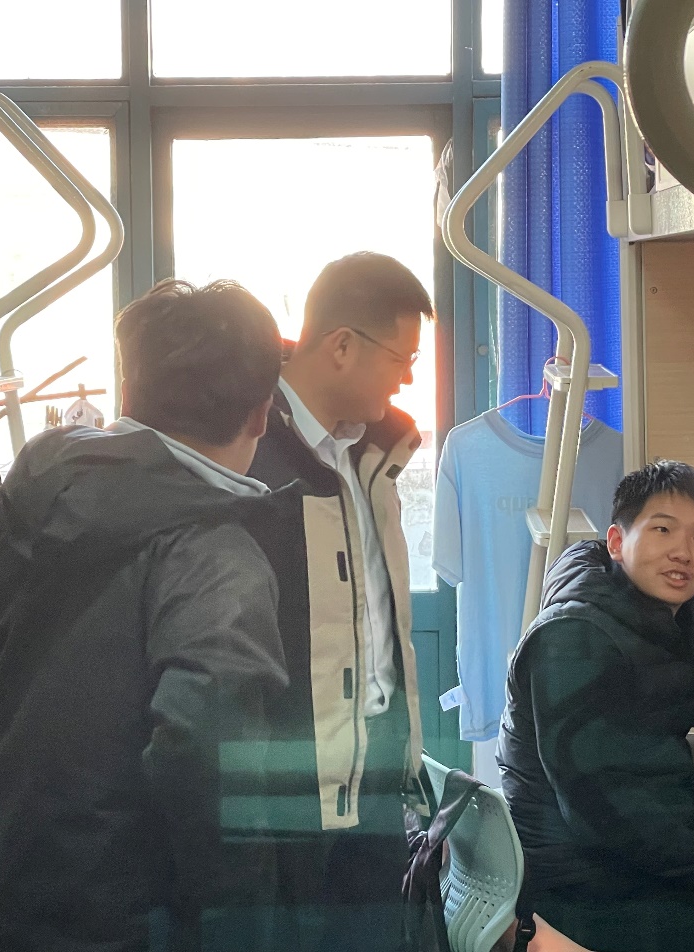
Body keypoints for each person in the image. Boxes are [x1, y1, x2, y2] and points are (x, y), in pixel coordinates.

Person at [0, 279, 296, 952]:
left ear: (128, 390)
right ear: (262, 413)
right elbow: (209, 753)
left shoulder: (7, 509)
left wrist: (22, 801)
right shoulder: (212, 552)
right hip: (132, 926)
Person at [497, 460, 694, 952]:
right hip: (583, 882)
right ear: (617, 542)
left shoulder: (679, 617)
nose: (683, 551)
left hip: (639, 854)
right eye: (662, 529)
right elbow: (598, 806)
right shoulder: (574, 637)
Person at [245, 251, 434, 950]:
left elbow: (381, 619)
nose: (408, 377)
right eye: (401, 357)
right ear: (342, 346)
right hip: (285, 780)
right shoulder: (248, 447)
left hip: (377, 763)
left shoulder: (374, 452)